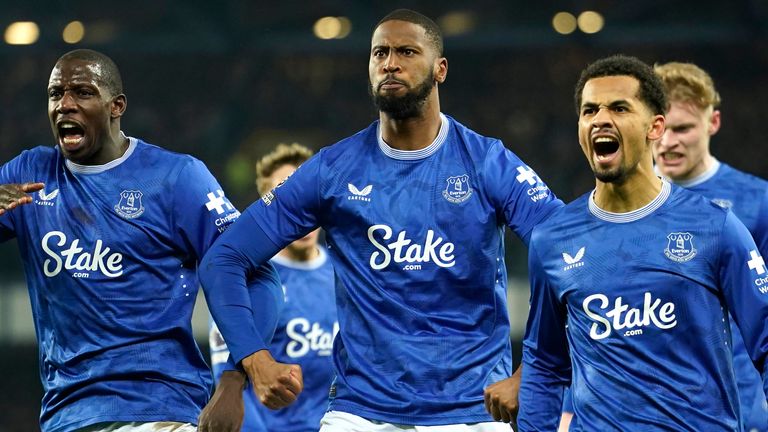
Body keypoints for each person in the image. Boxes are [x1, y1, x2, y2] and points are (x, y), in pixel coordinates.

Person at [198, 8, 563, 431]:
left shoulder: (488, 163)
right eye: (379, 53)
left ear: (440, 69)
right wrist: (251, 362)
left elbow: (569, 256)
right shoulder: (332, 170)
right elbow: (224, 258)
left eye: (407, 51)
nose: (390, 62)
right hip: (361, 414)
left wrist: (533, 370)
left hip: (472, 411)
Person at [0, 48, 279, 432]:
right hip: (67, 416)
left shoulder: (176, 178)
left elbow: (258, 275)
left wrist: (233, 380)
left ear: (116, 106)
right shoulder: (31, 172)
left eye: (81, 92)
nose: (64, 104)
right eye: (55, 94)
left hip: (159, 408)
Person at [517, 53, 768, 431]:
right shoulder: (552, 238)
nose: (601, 118)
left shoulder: (714, 227)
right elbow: (545, 362)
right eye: (589, 111)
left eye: (619, 108)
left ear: (655, 127)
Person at [653, 61, 768, 432]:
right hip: (647, 405)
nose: (669, 142)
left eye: (683, 128)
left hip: (739, 406)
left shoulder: (758, 202)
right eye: (661, 129)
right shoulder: (618, 207)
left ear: (712, 123)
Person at [203, 143, 337, 432]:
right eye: (288, 198)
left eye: (305, 197)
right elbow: (231, 385)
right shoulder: (246, 280)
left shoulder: (344, 272)